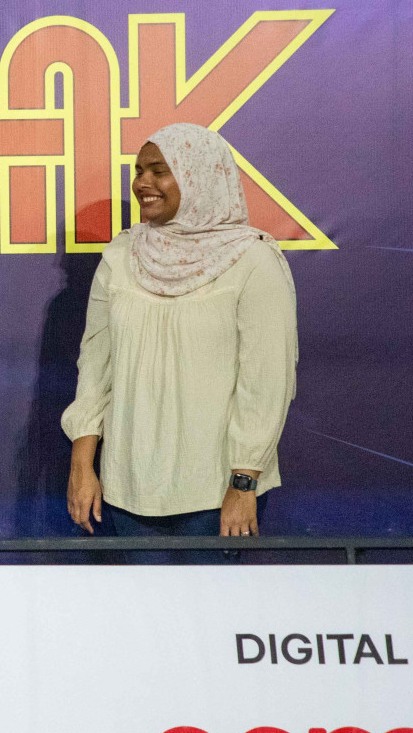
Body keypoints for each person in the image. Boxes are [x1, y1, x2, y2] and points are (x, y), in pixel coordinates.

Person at [62, 123, 298, 538]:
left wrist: (244, 484)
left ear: (200, 175)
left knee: (211, 605)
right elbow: (95, 367)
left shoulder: (254, 261)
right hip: (125, 490)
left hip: (215, 495)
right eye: (138, 171)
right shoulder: (121, 255)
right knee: (138, 606)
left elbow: (266, 382)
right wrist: (82, 466)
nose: (142, 183)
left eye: (159, 170)